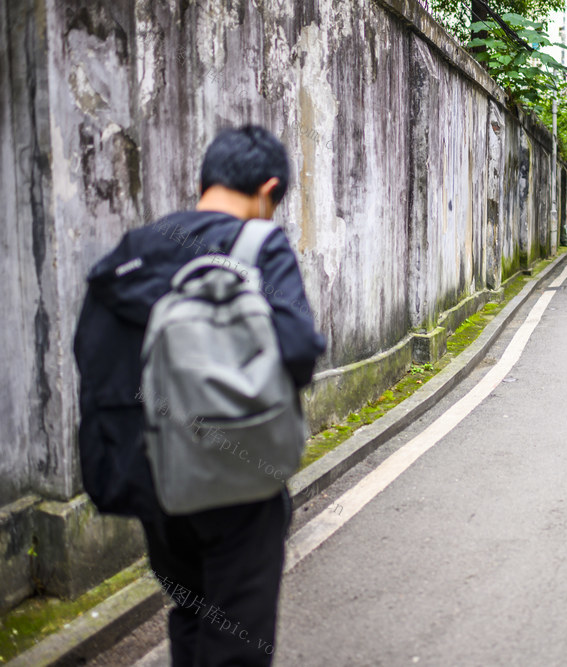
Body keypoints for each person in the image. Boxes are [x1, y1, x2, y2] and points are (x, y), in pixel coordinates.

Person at [74, 125, 326, 666]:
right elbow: (299, 350)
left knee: (191, 615)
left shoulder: (134, 250)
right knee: (236, 639)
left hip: (157, 483)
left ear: (205, 182)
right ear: (268, 190)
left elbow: (97, 355)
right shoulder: (257, 245)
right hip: (236, 479)